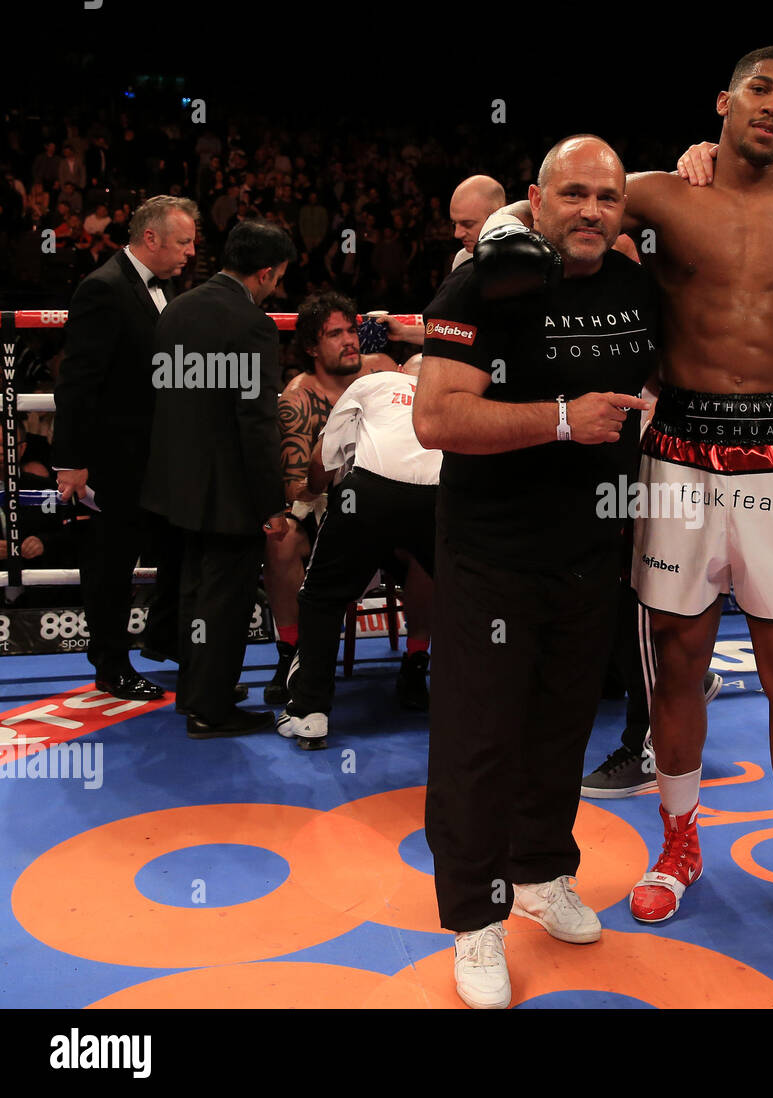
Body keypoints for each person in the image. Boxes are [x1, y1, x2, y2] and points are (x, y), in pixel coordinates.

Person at [506, 46, 773, 1004]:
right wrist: (496, 248)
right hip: (676, 456)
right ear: (724, 102)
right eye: (760, 90)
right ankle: (679, 849)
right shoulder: (657, 194)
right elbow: (542, 209)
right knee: (675, 662)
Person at [414, 135, 657, 1009]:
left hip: (591, 551)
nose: (592, 210)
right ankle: (475, 920)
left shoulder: (635, 285)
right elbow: (437, 418)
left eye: (609, 198)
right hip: (491, 554)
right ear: (537, 198)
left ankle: (542, 872)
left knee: (561, 727)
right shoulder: (481, 283)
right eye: (575, 193)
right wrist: (559, 418)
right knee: (481, 740)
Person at [140, 219, 297, 738]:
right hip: (226, 486)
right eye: (277, 277)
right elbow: (254, 421)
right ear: (267, 271)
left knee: (193, 591)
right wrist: (270, 502)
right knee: (224, 599)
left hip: (176, 480)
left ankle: (196, 692)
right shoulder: (251, 325)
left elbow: (167, 398)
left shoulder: (177, 310)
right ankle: (210, 710)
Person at [53, 195, 197, 700]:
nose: (191, 252)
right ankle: (111, 665)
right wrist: (70, 462)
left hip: (161, 453)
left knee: (178, 548)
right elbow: (77, 381)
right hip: (114, 457)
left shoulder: (167, 286)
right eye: (183, 242)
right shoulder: (103, 288)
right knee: (112, 563)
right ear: (150, 238)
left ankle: (166, 644)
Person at [264, 293, 432, 710]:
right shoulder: (298, 399)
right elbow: (296, 487)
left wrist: (406, 332)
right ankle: (291, 654)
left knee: (426, 551)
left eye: (351, 330)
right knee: (279, 538)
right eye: (334, 334)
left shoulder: (384, 371)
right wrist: (339, 469)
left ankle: (416, 660)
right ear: (310, 347)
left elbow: (438, 373)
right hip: (330, 509)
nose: (348, 341)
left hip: (392, 507)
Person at [447, 174, 507, 271]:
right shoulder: (463, 259)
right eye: (454, 223)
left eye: (467, 224)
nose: (457, 234)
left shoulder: (526, 261)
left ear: (496, 217)